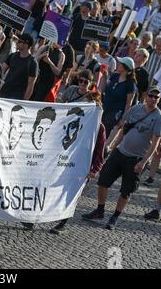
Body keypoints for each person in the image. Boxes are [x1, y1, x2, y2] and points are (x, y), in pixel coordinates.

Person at [82, 86, 161, 230]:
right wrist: (113, 146)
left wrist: (144, 162)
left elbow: (155, 143)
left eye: (156, 97)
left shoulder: (159, 118)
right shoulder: (135, 109)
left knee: (126, 191)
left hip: (137, 158)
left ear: (159, 100)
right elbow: (124, 128)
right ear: (146, 96)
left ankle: (114, 217)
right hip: (120, 152)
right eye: (151, 96)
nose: (153, 99)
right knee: (103, 181)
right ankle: (100, 210)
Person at [50, 71, 107, 234]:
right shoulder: (75, 123)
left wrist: (94, 170)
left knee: (71, 194)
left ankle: (62, 222)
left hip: (82, 166)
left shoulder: (100, 128)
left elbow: (100, 152)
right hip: (66, 160)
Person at [101, 57, 136, 139]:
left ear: (125, 67)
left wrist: (123, 119)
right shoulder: (115, 76)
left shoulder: (130, 84)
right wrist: (104, 76)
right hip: (104, 107)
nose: (118, 64)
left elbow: (129, 103)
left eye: (120, 63)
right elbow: (103, 89)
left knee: (104, 132)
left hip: (114, 113)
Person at [0, 33, 38, 100]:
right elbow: (1, 71)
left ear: (26, 45)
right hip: (4, 91)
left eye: (19, 41)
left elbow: (30, 85)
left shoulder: (32, 63)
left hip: (17, 96)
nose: (17, 42)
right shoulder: (13, 56)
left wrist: (24, 101)